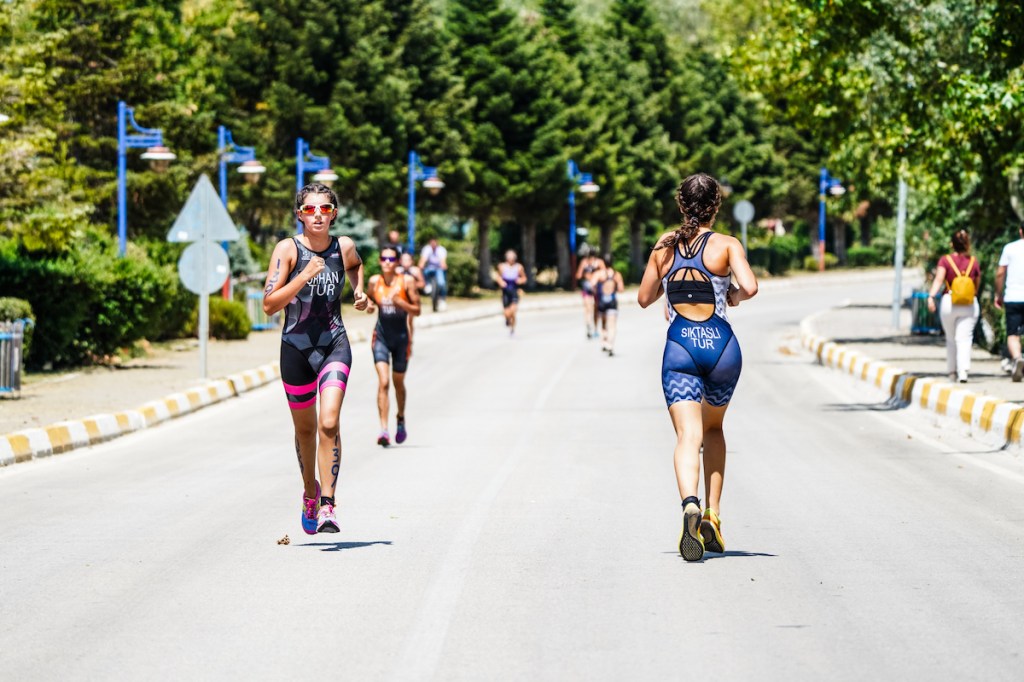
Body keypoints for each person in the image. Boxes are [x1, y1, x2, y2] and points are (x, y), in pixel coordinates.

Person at [637, 173, 758, 562]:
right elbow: (750, 287)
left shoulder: (664, 247)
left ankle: (689, 503)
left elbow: (643, 298)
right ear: (717, 206)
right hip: (722, 347)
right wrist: (732, 297)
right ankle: (713, 516)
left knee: (688, 436)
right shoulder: (727, 244)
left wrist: (667, 282)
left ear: (681, 204)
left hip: (681, 348)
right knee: (714, 429)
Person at [262, 183, 368, 535]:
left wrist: (359, 291)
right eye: (310, 210)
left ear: (334, 213)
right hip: (295, 348)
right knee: (305, 430)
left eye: (325, 209)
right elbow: (269, 304)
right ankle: (310, 490)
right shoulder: (287, 249)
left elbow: (355, 265)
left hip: (334, 343)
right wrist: (304, 276)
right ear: (300, 214)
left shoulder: (344, 247)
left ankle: (328, 505)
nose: (318, 215)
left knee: (328, 422)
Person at [365, 245, 421, 446]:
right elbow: (370, 302)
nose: (387, 262)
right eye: (384, 259)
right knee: (383, 382)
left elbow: (417, 310)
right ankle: (383, 430)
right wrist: (369, 306)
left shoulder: (406, 281)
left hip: (401, 339)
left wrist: (402, 303)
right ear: (380, 261)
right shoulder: (375, 281)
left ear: (397, 262)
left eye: (391, 259)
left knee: (397, 383)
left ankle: (400, 417)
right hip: (380, 337)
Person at [927, 229, 981, 383]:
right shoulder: (973, 262)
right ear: (967, 243)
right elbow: (976, 284)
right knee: (964, 338)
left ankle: (952, 372)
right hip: (969, 304)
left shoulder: (945, 260)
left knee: (951, 339)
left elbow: (939, 279)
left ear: (952, 244)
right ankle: (963, 371)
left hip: (949, 302)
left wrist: (931, 296)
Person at [995, 223, 1024, 381]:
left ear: (1020, 231)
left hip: (1013, 296)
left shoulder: (1010, 248)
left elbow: (1000, 273)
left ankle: (1017, 358)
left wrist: (998, 294)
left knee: (1013, 334)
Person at [593, 256, 625, 356]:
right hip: (612, 301)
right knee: (612, 326)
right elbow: (621, 289)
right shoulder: (616, 274)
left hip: (602, 301)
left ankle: (604, 342)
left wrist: (598, 292)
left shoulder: (599, 274)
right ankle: (610, 345)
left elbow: (592, 284)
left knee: (603, 323)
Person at [494, 249, 527, 335]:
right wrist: (501, 282)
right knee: (506, 312)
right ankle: (507, 319)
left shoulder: (519, 267)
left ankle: (512, 328)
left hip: (514, 291)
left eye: (512, 257)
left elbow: (524, 278)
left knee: (513, 310)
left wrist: (520, 280)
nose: (511, 259)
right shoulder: (502, 266)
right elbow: (498, 277)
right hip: (505, 291)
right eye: (509, 257)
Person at [575, 248, 605, 339]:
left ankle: (589, 324)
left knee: (587, 308)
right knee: (595, 308)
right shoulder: (599, 262)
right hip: (596, 288)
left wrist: (586, 275)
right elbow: (604, 274)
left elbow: (578, 275)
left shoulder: (584, 262)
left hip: (587, 288)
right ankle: (595, 328)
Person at [418, 237, 448, 311]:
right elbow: (423, 259)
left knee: (442, 283)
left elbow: (443, 261)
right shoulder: (427, 249)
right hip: (429, 268)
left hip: (438, 268)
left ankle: (442, 299)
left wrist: (443, 265)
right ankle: (427, 284)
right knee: (424, 273)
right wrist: (421, 265)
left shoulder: (441, 250)